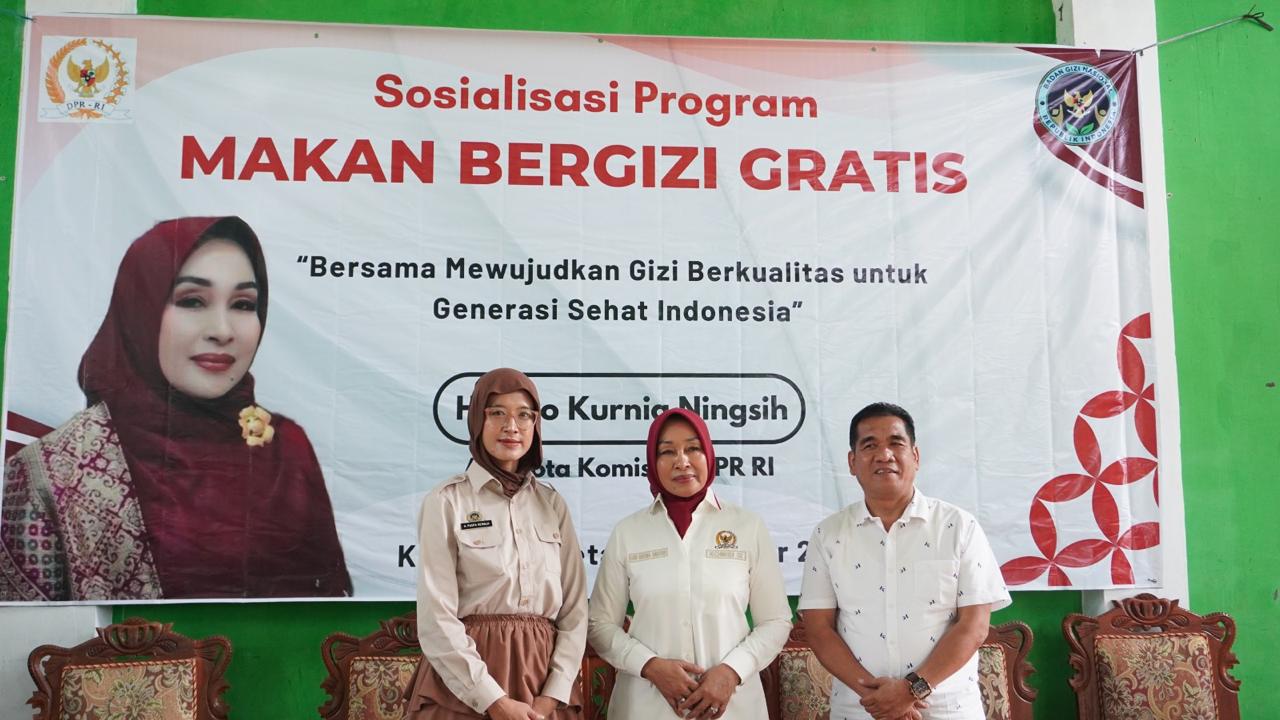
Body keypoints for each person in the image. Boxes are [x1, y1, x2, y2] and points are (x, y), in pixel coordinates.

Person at [0, 216, 351, 601]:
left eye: (243, 304)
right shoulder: (56, 471)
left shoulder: (285, 449)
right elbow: (28, 631)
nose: (222, 330)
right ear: (141, 310)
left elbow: (330, 606)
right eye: (192, 301)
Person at [798, 403, 1011, 720]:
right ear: (852, 462)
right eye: (870, 445)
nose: (884, 455)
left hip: (947, 710)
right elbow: (818, 629)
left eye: (896, 443)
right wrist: (879, 698)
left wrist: (911, 691)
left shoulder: (959, 527)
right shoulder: (828, 534)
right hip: (861, 710)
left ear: (916, 456)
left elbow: (974, 626)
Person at [588, 407, 791, 720]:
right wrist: (650, 666)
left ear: (708, 454)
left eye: (693, 448)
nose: (682, 461)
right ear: (652, 462)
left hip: (732, 707)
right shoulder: (628, 532)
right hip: (646, 706)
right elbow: (600, 625)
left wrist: (731, 671)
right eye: (667, 451)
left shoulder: (747, 526)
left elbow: (776, 621)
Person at [408, 368, 587, 720]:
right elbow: (435, 618)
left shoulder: (552, 505)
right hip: (465, 686)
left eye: (524, 415)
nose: (512, 426)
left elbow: (575, 612)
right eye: (497, 413)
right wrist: (493, 700)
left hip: (542, 683)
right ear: (478, 420)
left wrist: (552, 696)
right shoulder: (446, 501)